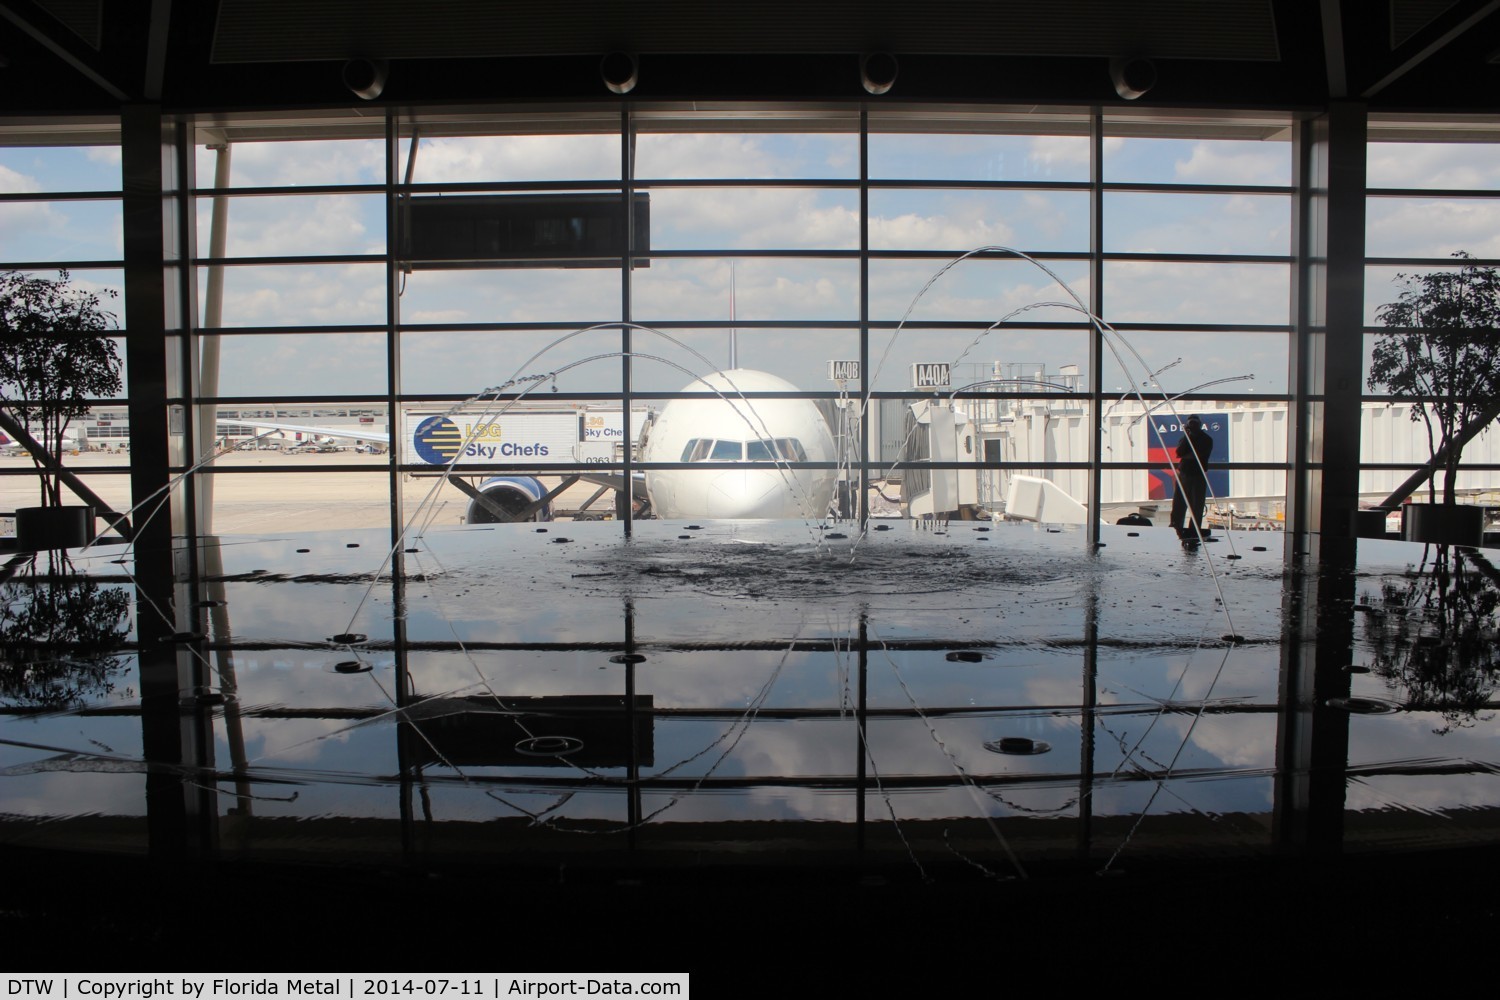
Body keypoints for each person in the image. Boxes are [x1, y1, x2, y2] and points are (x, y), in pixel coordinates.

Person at [1169, 415, 1213, 539]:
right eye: (1190, 424)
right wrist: (1188, 438)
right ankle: (1175, 527)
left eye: (1194, 424)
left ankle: (1194, 531)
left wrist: (1186, 454)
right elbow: (1179, 453)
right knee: (1178, 504)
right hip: (1184, 474)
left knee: (1196, 506)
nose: (1192, 426)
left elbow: (1198, 455)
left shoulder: (1206, 439)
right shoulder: (1186, 438)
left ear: (1199, 425)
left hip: (1197, 475)